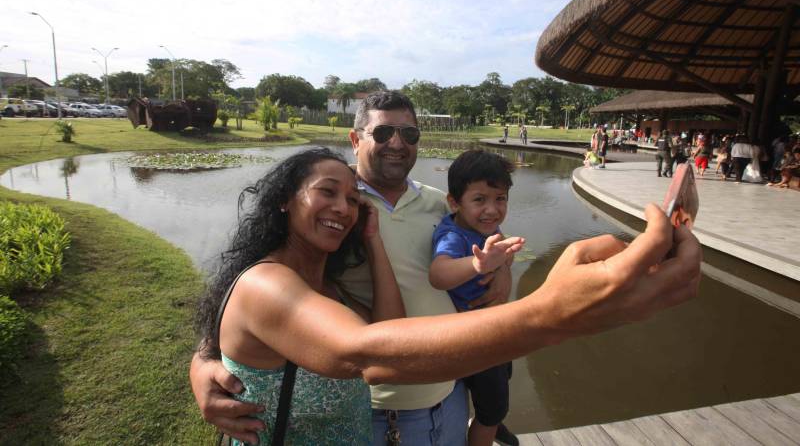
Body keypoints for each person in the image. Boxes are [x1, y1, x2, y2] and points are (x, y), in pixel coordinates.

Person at [190, 91, 702, 446]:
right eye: (383, 132)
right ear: (355, 139)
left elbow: (476, 259)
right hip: (365, 404)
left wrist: (499, 274)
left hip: (444, 393)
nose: (397, 142)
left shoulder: (444, 205)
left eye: (408, 132)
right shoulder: (329, 210)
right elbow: (256, 293)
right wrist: (205, 359)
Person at [196, 147, 405, 444]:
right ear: (285, 199)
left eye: (353, 200)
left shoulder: (333, 290)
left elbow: (391, 333)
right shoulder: (264, 283)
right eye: (327, 192)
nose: (344, 209)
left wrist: (373, 239)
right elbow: (378, 353)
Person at [428, 150, 524, 446]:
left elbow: (499, 249)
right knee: (491, 406)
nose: (492, 210)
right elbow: (439, 273)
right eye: (479, 199)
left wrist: (504, 265)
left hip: (492, 329)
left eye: (500, 199)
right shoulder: (454, 236)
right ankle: (489, 424)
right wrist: (478, 265)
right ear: (454, 202)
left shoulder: (483, 227)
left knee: (500, 384)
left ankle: (493, 420)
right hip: (476, 338)